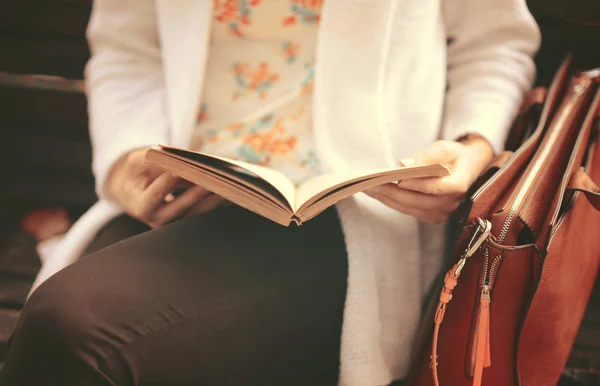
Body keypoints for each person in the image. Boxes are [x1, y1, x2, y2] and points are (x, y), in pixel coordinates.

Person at [0, 0, 540, 385]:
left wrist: (472, 147)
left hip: (359, 219)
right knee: (60, 330)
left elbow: (495, 43)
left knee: (72, 330)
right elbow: (127, 49)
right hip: (187, 195)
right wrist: (125, 162)